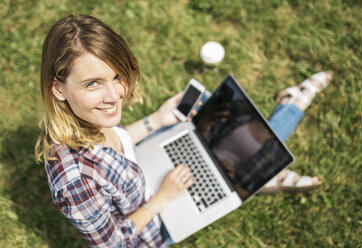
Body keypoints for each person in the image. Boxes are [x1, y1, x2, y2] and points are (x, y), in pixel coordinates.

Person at [35, 14, 333, 248]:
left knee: (217, 128)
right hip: (153, 222)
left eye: (116, 76)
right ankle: (289, 111)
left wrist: (156, 120)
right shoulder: (75, 181)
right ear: (58, 88)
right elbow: (116, 242)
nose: (115, 96)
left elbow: (116, 144)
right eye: (92, 84)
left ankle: (257, 171)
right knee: (244, 150)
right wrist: (163, 198)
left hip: (142, 169)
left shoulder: (84, 119)